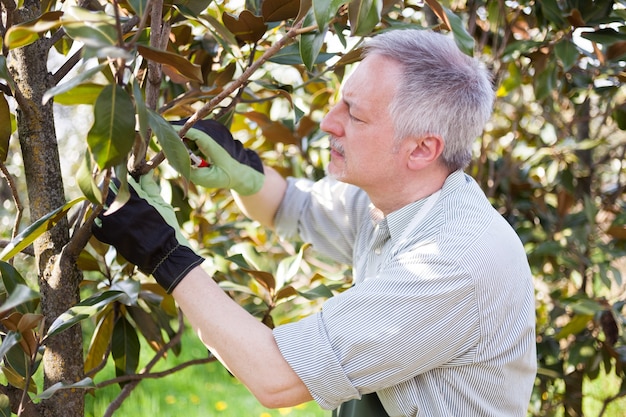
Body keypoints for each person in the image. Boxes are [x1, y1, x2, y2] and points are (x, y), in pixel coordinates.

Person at [92, 29, 537, 417]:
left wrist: (165, 254)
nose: (329, 122)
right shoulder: (396, 201)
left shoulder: (453, 261)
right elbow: (294, 207)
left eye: (355, 115)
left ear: (421, 150)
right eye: (339, 103)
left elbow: (276, 377)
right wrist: (243, 170)